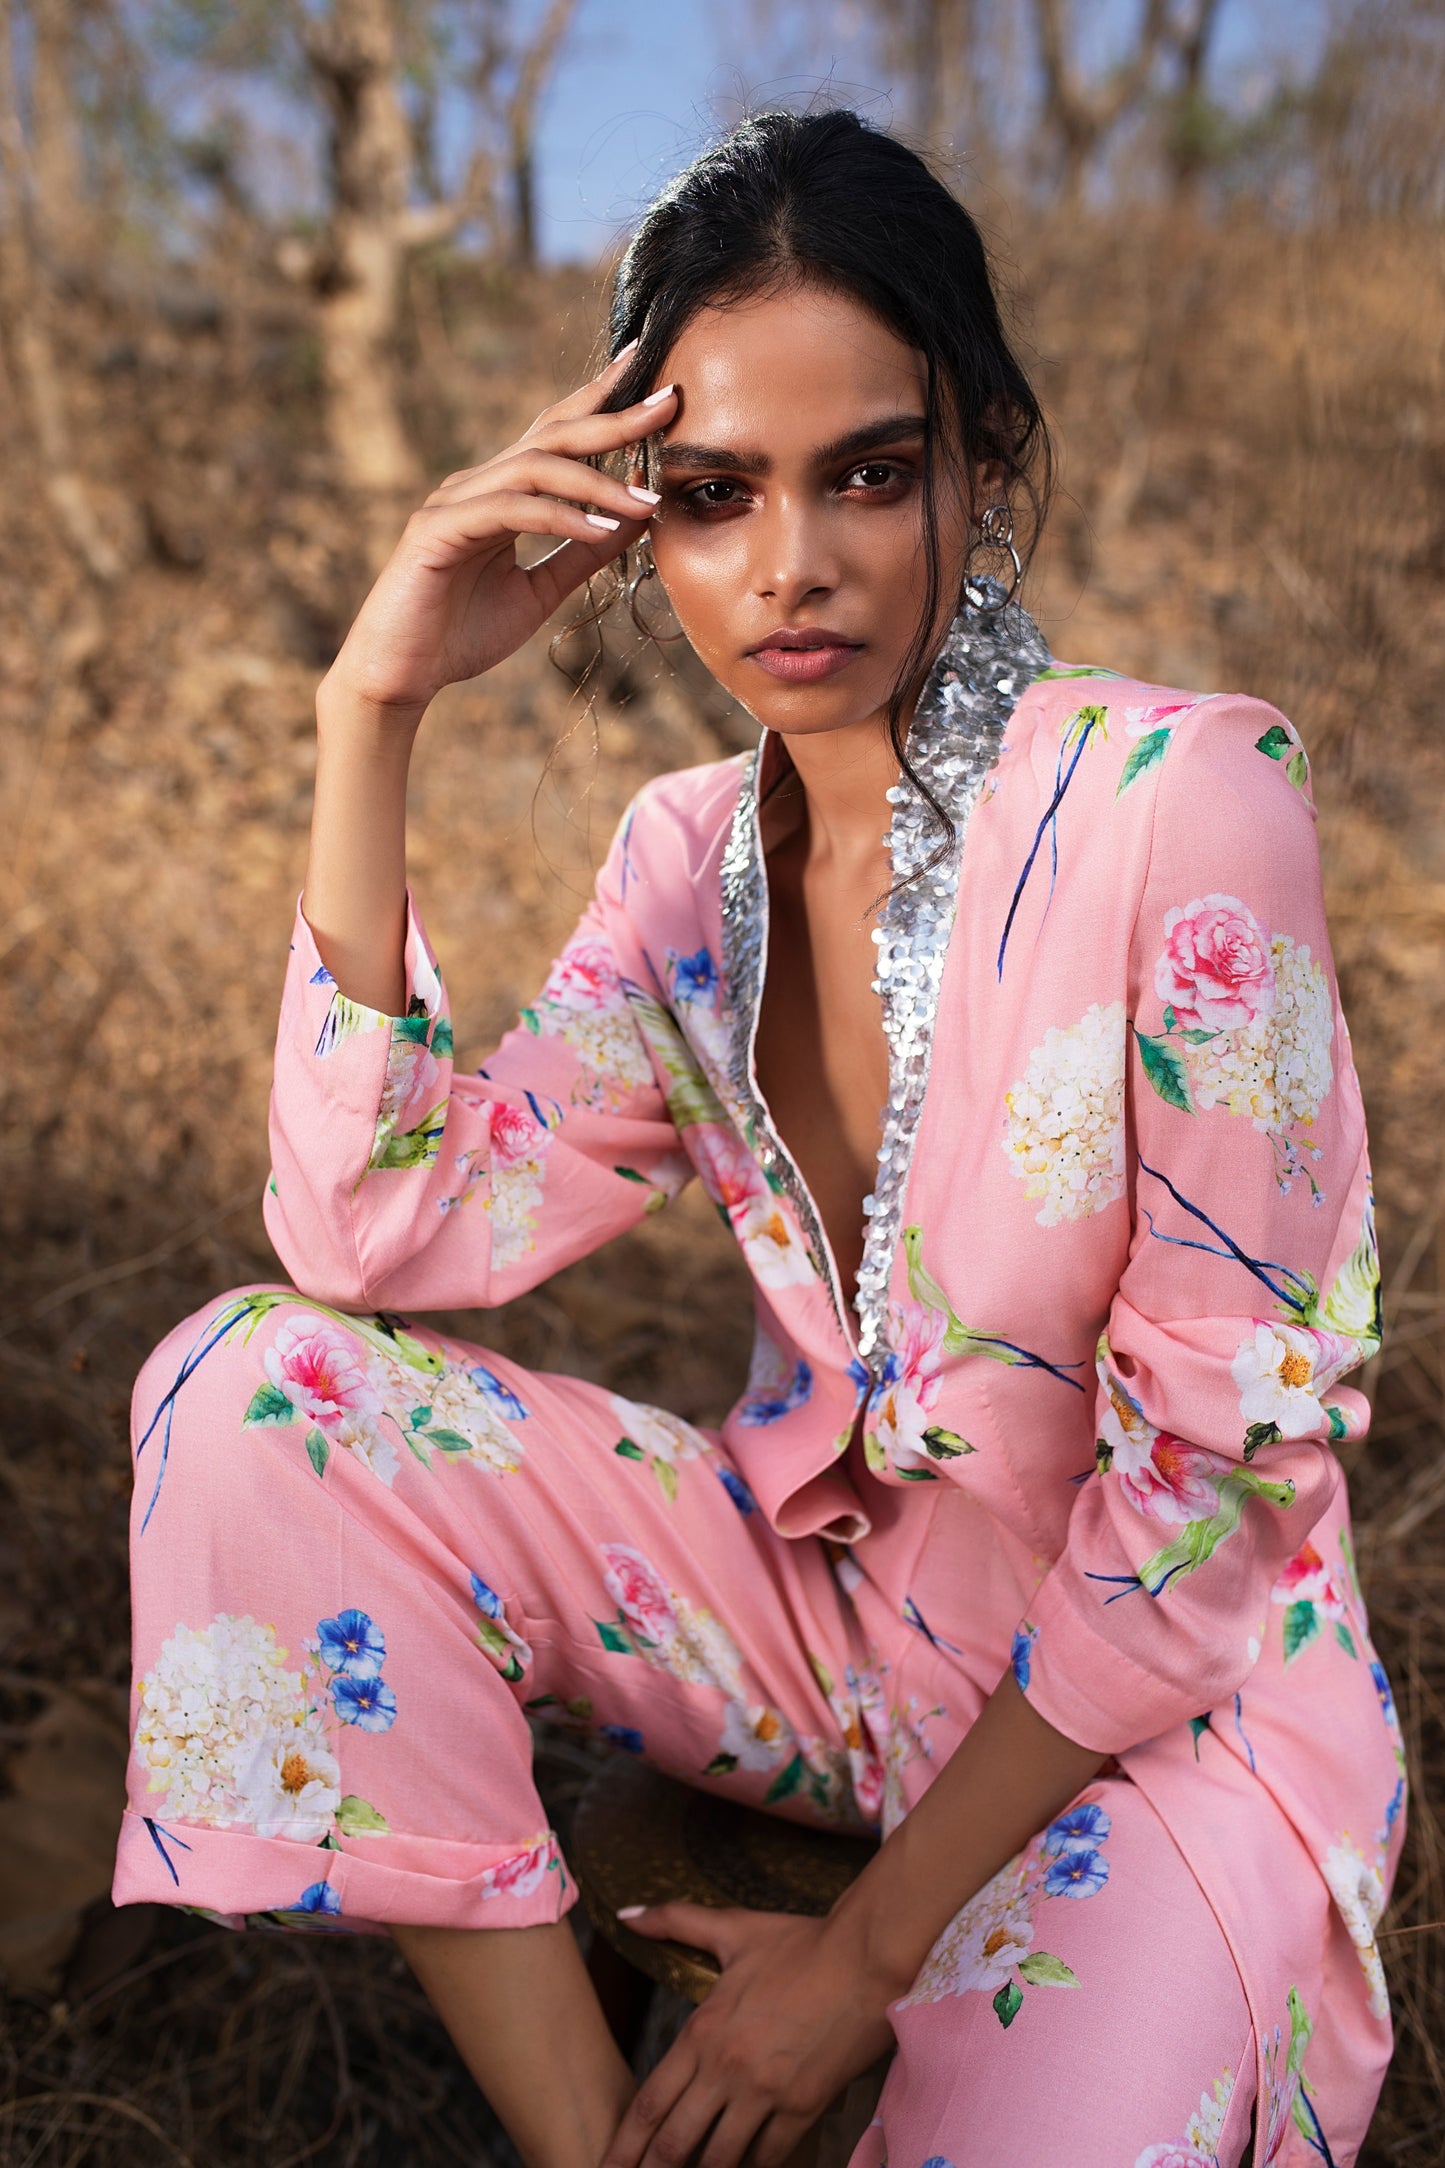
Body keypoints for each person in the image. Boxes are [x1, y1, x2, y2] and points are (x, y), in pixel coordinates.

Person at [113, 108, 1403, 2168]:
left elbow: (1219, 1494)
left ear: (982, 465)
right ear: (641, 524)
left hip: (1163, 1716)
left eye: (867, 474)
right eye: (712, 495)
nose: (788, 564)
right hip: (831, 1633)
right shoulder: (683, 858)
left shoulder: (1182, 799)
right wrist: (375, 708)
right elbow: (371, 1226)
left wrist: (860, 1962)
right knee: (254, 1394)